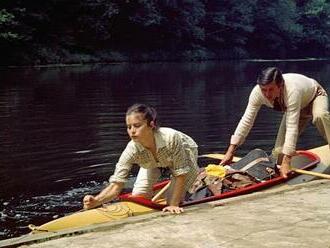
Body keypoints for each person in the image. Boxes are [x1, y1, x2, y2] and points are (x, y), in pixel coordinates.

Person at [83, 103, 199, 214]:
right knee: (139, 196)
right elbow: (116, 185)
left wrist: (173, 204)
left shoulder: (171, 138)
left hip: (186, 153)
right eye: (129, 127)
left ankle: (178, 196)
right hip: (153, 160)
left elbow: (180, 174)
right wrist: (96, 201)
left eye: (137, 125)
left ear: (151, 125)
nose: (132, 131)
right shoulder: (131, 149)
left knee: (171, 202)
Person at [220, 67, 330, 178]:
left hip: (315, 96)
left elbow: (292, 127)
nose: (267, 94)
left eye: (271, 89)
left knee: (320, 116)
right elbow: (246, 120)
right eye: (264, 90)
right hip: (295, 108)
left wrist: (286, 162)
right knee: (278, 152)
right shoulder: (257, 93)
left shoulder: (292, 91)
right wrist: (230, 151)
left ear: (280, 86)